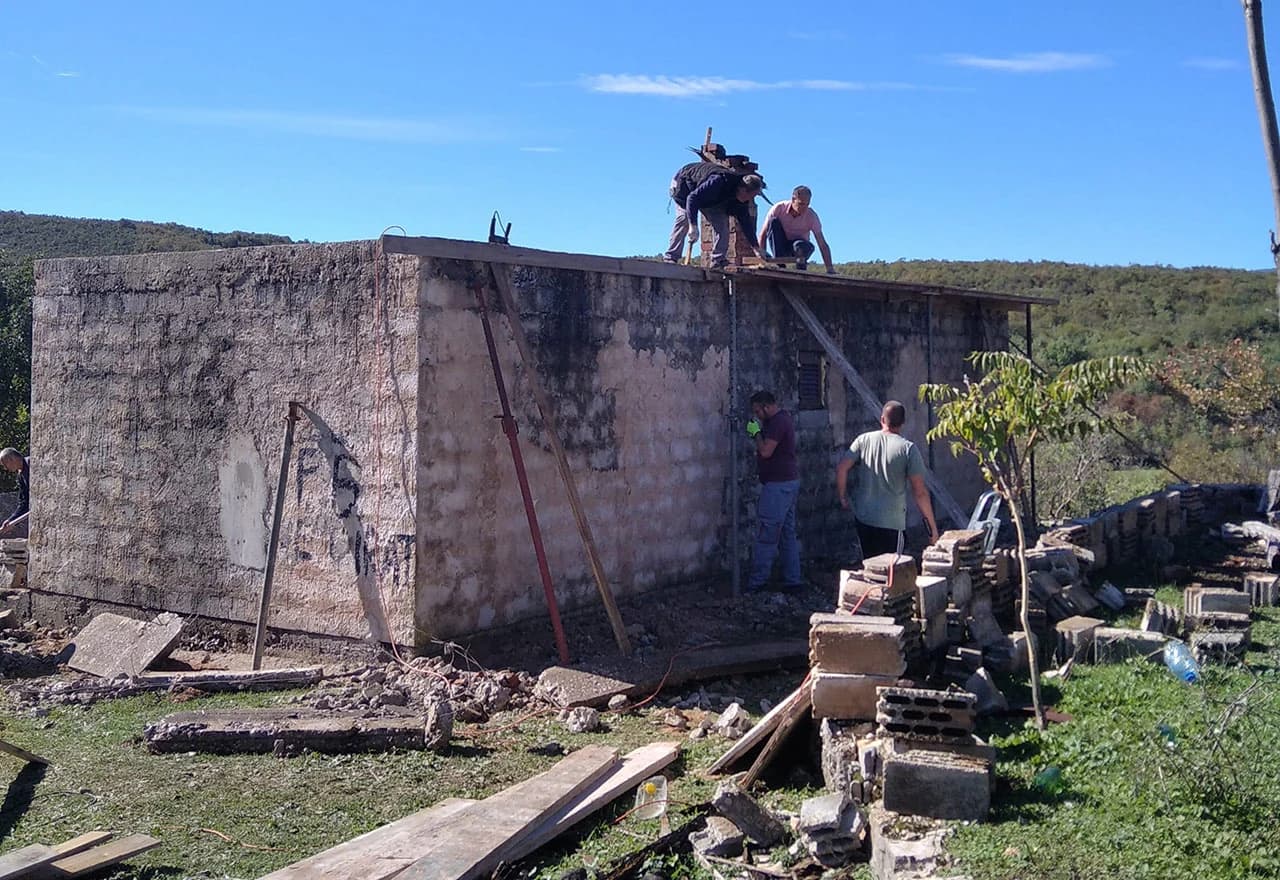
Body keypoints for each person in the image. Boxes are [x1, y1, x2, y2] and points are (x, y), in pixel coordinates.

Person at [835, 401, 939, 559]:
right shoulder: (908, 449)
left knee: (871, 569)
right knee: (893, 573)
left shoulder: (863, 440)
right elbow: (920, 493)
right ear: (903, 423)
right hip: (892, 523)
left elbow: (842, 468)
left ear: (882, 419)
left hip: (864, 520)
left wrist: (843, 497)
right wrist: (932, 530)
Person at [746, 390, 802, 591]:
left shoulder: (778, 423)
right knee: (787, 533)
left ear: (767, 407)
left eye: (758, 411)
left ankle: (757, 582)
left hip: (778, 486)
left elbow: (765, 451)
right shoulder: (779, 420)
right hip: (787, 482)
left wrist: (756, 433)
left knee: (767, 534)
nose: (757, 416)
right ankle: (793, 581)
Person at [665, 161, 767, 270]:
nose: (751, 199)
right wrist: (693, 226)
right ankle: (671, 257)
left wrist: (756, 247)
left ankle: (718, 261)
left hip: (711, 199)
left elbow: (746, 223)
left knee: (722, 224)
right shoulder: (718, 181)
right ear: (743, 189)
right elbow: (692, 198)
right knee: (684, 219)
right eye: (752, 195)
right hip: (684, 187)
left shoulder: (741, 201)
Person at [758, 185, 835, 273]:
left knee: (801, 245)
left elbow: (822, 244)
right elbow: (763, 235)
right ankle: (779, 265)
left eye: (807, 204)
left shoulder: (811, 216)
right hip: (780, 246)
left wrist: (830, 269)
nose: (804, 208)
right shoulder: (778, 208)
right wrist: (762, 260)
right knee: (773, 222)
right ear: (793, 199)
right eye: (801, 204)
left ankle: (801, 270)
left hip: (798, 248)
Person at [0, 448, 29, 538]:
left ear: (12, 459)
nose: (5, 468)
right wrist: (11, 520)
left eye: (5, 464)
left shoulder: (32, 464)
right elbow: (24, 502)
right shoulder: (20, 475)